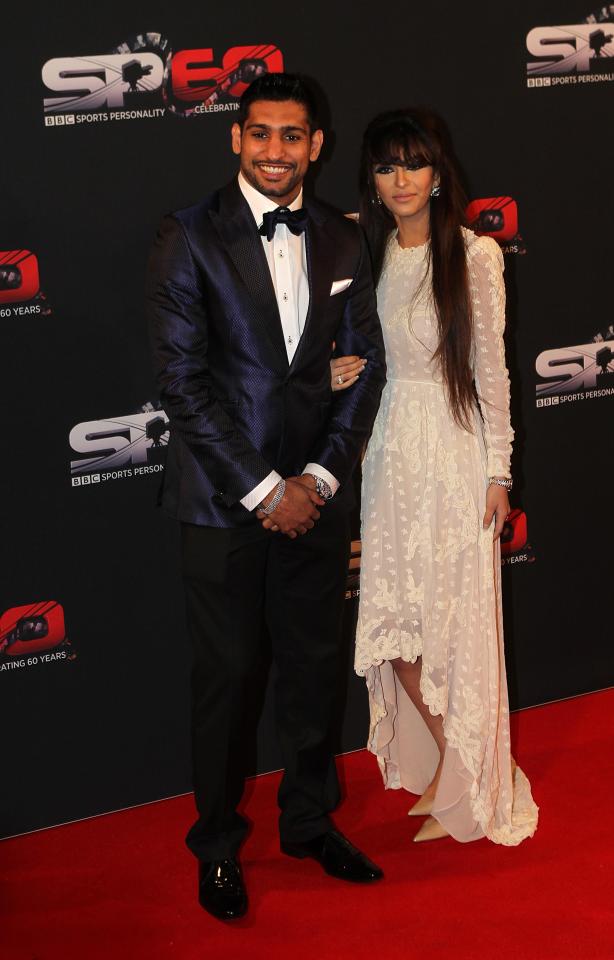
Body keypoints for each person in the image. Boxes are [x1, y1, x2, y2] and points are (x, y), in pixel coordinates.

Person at [146, 73, 386, 921]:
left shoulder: (344, 240)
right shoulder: (190, 235)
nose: (276, 151)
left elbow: (366, 370)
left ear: (316, 145)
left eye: (293, 136)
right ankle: (215, 846)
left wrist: (317, 479)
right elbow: (183, 384)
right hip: (223, 505)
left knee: (315, 675)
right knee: (229, 680)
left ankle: (310, 822)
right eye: (261, 134)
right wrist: (262, 490)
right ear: (236, 139)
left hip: (315, 501)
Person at [333, 108, 538, 845]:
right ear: (372, 178)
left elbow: (493, 375)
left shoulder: (474, 256)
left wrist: (499, 472)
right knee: (397, 628)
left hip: (454, 455)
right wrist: (339, 372)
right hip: (387, 454)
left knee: (452, 628)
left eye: (413, 164)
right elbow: (362, 355)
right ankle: (456, 766)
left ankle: (474, 782)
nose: (401, 181)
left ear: (438, 171)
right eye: (387, 167)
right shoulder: (371, 251)